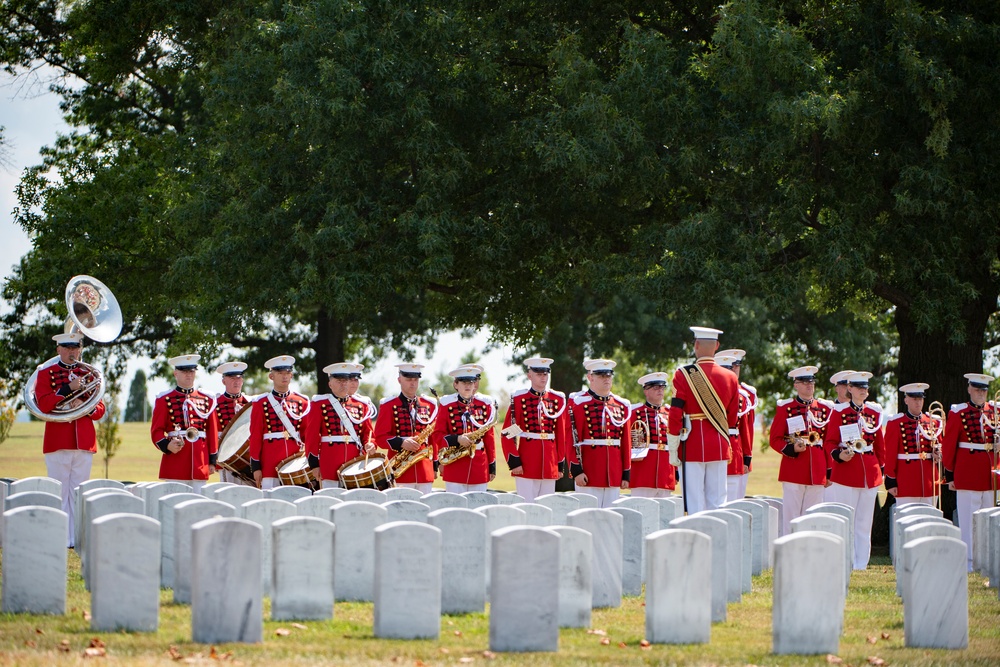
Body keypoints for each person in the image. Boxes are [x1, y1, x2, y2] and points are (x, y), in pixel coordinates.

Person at [35, 332, 107, 548]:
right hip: (58, 441)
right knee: (60, 492)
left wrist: (84, 407)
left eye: (75, 347)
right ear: (58, 350)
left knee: (78, 493)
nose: (72, 352)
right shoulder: (46, 372)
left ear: (80, 349)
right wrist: (68, 390)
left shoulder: (88, 373)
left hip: (84, 442)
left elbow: (100, 409)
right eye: (67, 347)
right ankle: (60, 537)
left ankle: (76, 538)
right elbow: (44, 404)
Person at [666, 327, 740, 514]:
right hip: (719, 443)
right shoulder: (731, 377)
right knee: (718, 503)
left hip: (692, 445)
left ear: (696, 345)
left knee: (694, 502)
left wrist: (673, 445)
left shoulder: (683, 374)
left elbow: (675, 413)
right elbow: (732, 417)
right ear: (717, 346)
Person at [824, 371, 885, 569]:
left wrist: (880, 469)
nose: (862, 391)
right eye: (858, 387)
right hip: (847, 471)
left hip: (869, 470)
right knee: (847, 520)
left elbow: (880, 446)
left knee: (864, 522)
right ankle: (846, 559)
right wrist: (838, 455)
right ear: (849, 389)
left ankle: (861, 562)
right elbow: (830, 442)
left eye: (865, 388)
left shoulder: (874, 413)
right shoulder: (840, 412)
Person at [769, 365, 834, 535]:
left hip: (818, 470)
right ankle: (789, 556)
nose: (809, 385)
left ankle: (809, 556)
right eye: (804, 382)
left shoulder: (825, 409)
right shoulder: (786, 408)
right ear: (796, 385)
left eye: (811, 382)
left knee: (812, 518)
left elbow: (828, 442)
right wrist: (790, 449)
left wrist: (829, 471)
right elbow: (775, 439)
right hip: (794, 468)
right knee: (791, 517)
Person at [942, 373, 997, 571]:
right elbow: (949, 446)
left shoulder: (995, 411)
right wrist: (950, 474)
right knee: (968, 520)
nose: (980, 393)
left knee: (989, 519)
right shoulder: (958, 412)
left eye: (983, 390)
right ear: (969, 389)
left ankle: (988, 560)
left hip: (990, 473)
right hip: (967, 472)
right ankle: (969, 562)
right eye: (977, 389)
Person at [500, 357, 569, 502]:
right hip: (526, 462)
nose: (543, 377)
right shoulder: (519, 399)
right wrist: (514, 461)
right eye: (538, 374)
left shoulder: (557, 399)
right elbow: (508, 433)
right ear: (529, 375)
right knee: (526, 505)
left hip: (549, 462)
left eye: (545, 374)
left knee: (547, 505)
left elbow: (561, 435)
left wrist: (559, 464)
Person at [568, 359, 632, 508]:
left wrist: (626, 472)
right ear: (591, 377)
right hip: (589, 471)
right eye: (602, 376)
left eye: (609, 376)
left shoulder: (621, 405)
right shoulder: (579, 403)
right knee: (587, 517)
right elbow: (571, 438)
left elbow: (626, 442)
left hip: (614, 473)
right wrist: (576, 470)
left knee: (611, 519)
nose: (606, 379)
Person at [150, 354, 219, 493]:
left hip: (200, 462)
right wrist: (167, 445)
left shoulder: (207, 399)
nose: (189, 375)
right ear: (176, 373)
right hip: (176, 461)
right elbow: (156, 430)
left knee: (200, 505)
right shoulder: (164, 399)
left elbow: (212, 432)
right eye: (184, 371)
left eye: (192, 371)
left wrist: (212, 461)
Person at [304, 362, 377, 489]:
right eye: (339, 381)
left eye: (346, 380)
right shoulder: (319, 404)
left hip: (354, 462)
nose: (343, 384)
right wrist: (314, 464)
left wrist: (371, 444)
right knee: (330, 499)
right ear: (330, 384)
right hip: (329, 462)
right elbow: (312, 437)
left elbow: (368, 433)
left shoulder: (362, 405)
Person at [248, 355, 311, 490]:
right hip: (270, 461)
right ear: (271, 376)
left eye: (287, 373)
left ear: (291, 375)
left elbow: (307, 434)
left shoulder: (302, 401)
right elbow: (255, 436)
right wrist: (256, 467)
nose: (284, 376)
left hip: (295, 461)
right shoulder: (260, 403)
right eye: (280, 373)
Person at [374, 364, 439, 494]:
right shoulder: (388, 405)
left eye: (415, 380)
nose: (413, 383)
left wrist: (435, 465)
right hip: (400, 471)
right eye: (409, 379)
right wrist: (402, 442)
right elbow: (380, 438)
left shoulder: (429, 405)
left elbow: (433, 438)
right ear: (399, 380)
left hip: (424, 470)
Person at [432, 364, 497, 493]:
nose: (468, 386)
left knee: (479, 507)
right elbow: (437, 435)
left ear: (475, 385)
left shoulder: (484, 404)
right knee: (455, 509)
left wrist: (492, 465)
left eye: (471, 382)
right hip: (455, 466)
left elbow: (489, 438)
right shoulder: (446, 404)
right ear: (456, 384)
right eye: (463, 382)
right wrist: (457, 439)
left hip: (479, 465)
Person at [884, 383, 940, 508]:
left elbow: (940, 447)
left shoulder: (933, 421)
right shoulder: (896, 423)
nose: (918, 402)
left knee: (930, 520)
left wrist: (939, 454)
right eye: (914, 399)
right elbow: (890, 453)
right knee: (905, 520)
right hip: (906, 480)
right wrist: (890, 479)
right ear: (906, 400)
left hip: (929, 480)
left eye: (920, 399)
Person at [626, 372, 676, 498]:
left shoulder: (670, 413)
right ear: (646, 391)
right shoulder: (634, 412)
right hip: (642, 474)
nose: (660, 390)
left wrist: (676, 471)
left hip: (666, 472)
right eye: (655, 387)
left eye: (662, 387)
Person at [214, 361, 250, 484]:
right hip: (226, 458)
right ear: (224, 381)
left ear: (243, 381)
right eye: (232, 378)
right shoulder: (215, 404)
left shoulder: (249, 403)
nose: (236, 381)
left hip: (247, 457)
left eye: (239, 378)